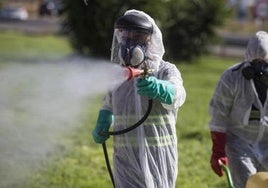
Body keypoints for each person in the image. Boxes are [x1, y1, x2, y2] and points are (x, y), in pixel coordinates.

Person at [92, 9, 186, 188]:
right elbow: (108, 103)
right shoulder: (118, 75)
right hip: (125, 158)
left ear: (150, 40)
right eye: (125, 36)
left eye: (137, 36)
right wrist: (103, 119)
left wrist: (161, 88)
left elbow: (179, 93)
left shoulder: (165, 70)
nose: (129, 43)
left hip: (158, 156)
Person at [208, 31, 268, 188]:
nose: (260, 69)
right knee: (248, 183)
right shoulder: (232, 77)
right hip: (239, 143)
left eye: (265, 63)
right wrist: (218, 151)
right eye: (256, 63)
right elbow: (218, 115)